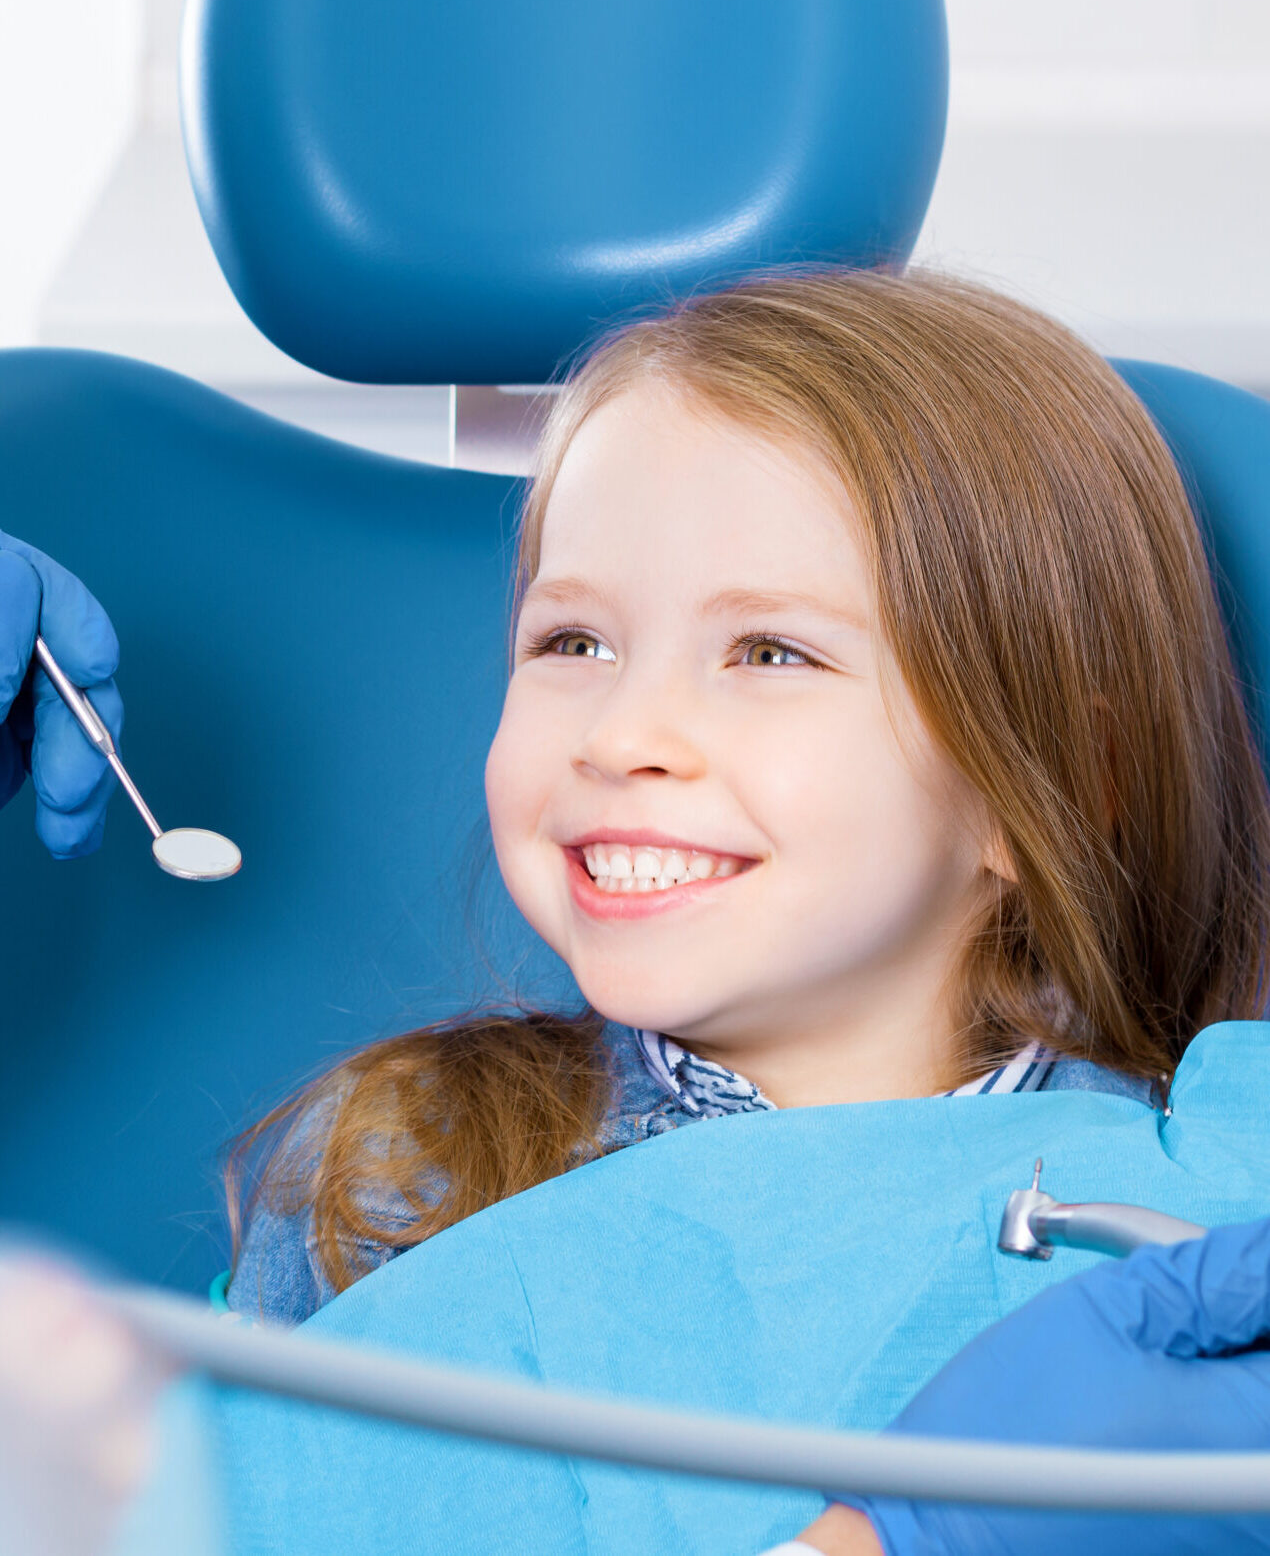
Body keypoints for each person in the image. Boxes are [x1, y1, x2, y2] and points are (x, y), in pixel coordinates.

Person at [2, 262, 1270, 1555]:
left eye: (769, 652)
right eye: (573, 643)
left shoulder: (1189, 1225)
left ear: (1049, 776)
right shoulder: (392, 1173)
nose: (622, 733)